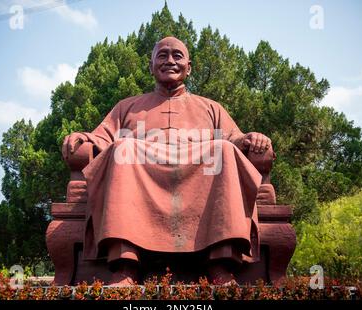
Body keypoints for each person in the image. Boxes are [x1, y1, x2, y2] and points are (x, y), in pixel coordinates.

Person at [64, 36, 272, 286]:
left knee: (224, 151)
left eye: (177, 55)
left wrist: (253, 138)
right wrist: (82, 137)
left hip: (199, 176)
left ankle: (220, 265)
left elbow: (236, 139)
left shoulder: (210, 107)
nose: (170, 61)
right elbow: (101, 137)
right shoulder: (127, 107)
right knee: (122, 148)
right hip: (141, 176)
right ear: (151, 65)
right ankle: (126, 266)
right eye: (162, 56)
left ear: (189, 66)